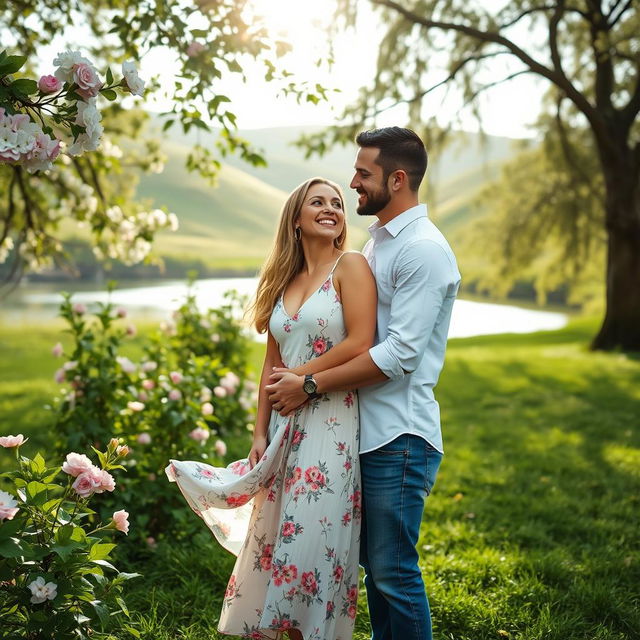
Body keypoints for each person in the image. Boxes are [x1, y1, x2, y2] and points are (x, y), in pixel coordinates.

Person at [266, 127, 461, 640]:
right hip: (359, 433)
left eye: (362, 173)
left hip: (399, 435)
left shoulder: (423, 251)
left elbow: (399, 354)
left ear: (397, 180)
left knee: (394, 572)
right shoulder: (378, 248)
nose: (352, 182)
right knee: (377, 574)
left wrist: (309, 384)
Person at [166, 176, 377, 640]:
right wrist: (258, 433)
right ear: (296, 220)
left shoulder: (352, 266)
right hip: (283, 428)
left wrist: (305, 380)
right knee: (276, 539)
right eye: (317, 202)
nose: (330, 208)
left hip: (330, 423)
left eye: (337, 203)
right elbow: (271, 362)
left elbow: (362, 342)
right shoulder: (284, 280)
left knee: (311, 539)